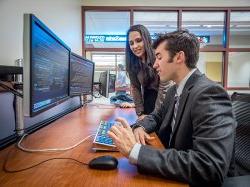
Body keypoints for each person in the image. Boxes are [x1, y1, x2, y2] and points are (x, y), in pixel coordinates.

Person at [108, 30, 236, 186]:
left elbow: (209, 167)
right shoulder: (174, 91)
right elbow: (156, 117)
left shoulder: (209, 94)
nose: (154, 64)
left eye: (159, 57)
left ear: (179, 57)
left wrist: (135, 151)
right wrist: (140, 127)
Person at [125, 24, 173, 120]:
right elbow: (135, 88)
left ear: (146, 40)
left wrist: (153, 117)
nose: (135, 46)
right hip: (147, 101)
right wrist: (140, 113)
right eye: (131, 43)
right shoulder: (133, 62)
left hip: (163, 103)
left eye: (138, 41)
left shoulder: (158, 57)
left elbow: (164, 88)